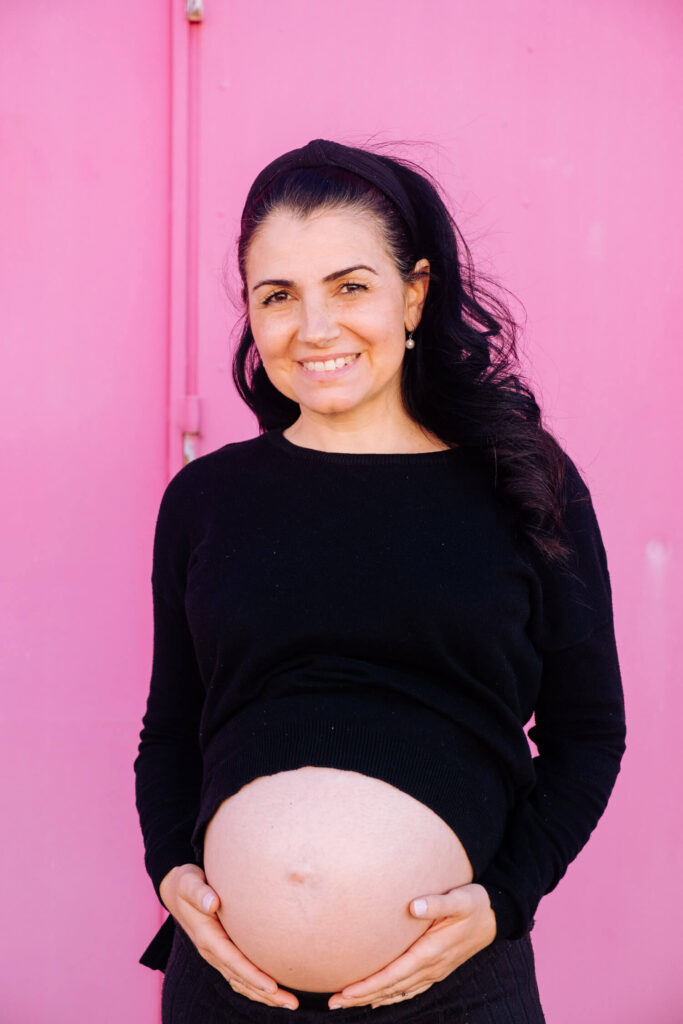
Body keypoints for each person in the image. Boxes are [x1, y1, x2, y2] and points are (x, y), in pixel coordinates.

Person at [134, 138, 626, 1024]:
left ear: (415, 293)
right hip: (228, 991)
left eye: (349, 286)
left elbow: (588, 733)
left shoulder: (524, 484)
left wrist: (505, 900)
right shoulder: (207, 498)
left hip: (457, 994)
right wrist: (171, 871)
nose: (314, 328)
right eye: (277, 296)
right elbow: (171, 730)